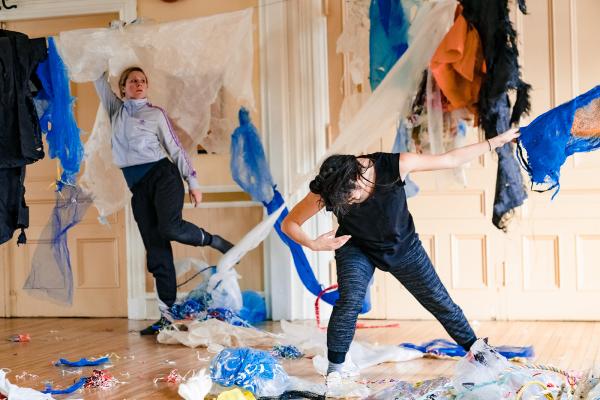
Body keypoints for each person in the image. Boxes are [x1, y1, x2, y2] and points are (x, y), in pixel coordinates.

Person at [282, 128, 520, 376]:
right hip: (356, 246)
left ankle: (479, 353)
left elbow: (451, 159)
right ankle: (335, 371)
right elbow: (290, 223)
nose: (348, 205)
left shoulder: (395, 165)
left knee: (439, 301)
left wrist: (497, 141)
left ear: (358, 175)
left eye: (351, 199)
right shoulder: (329, 185)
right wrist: (313, 243)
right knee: (349, 300)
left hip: (403, 247)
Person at [94, 66, 234, 335]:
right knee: (156, 249)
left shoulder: (155, 114)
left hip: (163, 176)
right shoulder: (116, 110)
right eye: (133, 81)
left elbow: (176, 148)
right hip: (138, 187)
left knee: (170, 228)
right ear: (123, 88)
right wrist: (105, 44)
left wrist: (193, 182)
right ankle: (167, 317)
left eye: (143, 81)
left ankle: (212, 239)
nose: (138, 84)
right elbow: (98, 78)